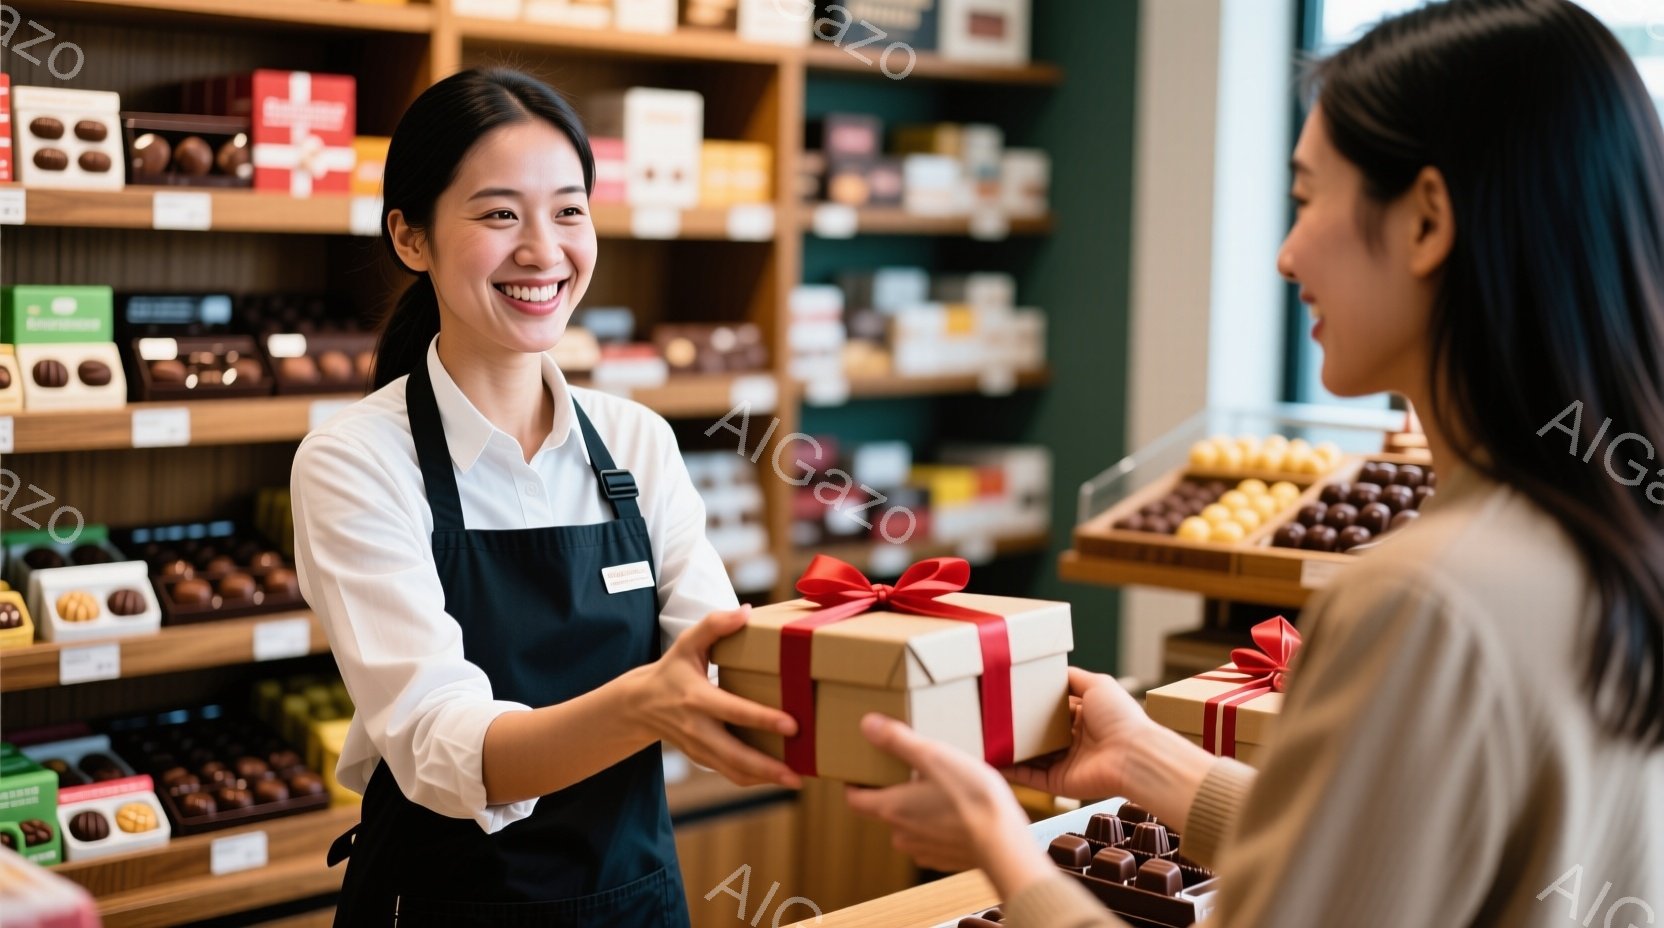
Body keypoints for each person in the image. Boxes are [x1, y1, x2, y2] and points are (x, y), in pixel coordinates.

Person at [847, 1, 1664, 924]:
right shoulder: (1614, 533)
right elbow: (1392, 859)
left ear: (1428, 222)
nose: (1285, 255)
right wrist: (1148, 762)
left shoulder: (1421, 599)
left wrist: (1002, 849)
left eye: (1309, 198)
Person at [289, 68, 801, 928]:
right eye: (499, 214)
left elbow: (718, 664)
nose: (543, 250)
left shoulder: (636, 441)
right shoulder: (356, 460)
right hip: (446, 904)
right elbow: (438, 746)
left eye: (569, 210)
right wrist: (645, 704)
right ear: (410, 238)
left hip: (637, 899)